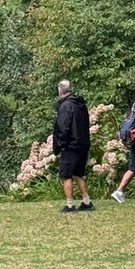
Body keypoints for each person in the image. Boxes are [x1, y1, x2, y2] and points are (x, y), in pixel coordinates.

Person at [52, 80, 93, 213]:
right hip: (83, 143)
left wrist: (61, 144)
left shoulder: (66, 106)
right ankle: (86, 202)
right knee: (77, 173)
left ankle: (70, 205)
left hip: (70, 145)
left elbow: (63, 127)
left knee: (66, 175)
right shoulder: (81, 104)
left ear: (60, 91)